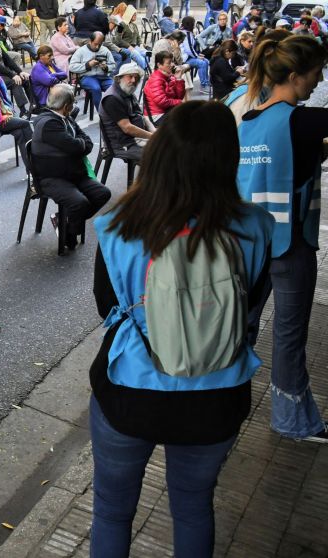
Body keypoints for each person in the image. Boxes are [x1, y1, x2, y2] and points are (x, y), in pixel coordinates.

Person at [90, 100, 273, 557]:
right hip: (218, 393)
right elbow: (251, 307)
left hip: (130, 389)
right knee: (193, 508)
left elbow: (106, 306)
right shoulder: (255, 227)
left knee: (112, 511)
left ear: (159, 153)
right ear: (227, 157)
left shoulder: (116, 225)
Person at [237, 35, 328, 444]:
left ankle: (224, 399)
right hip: (291, 246)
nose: (318, 80)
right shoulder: (304, 121)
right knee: (289, 337)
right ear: (293, 76)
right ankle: (292, 421)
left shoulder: (249, 121)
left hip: (250, 246)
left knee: (242, 328)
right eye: (314, 73)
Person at [31, 84, 110, 249]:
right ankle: (70, 232)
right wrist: (80, 146)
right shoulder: (48, 124)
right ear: (67, 106)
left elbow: (85, 141)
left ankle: (65, 224)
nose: (73, 106)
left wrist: (79, 146)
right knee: (79, 203)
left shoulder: (66, 118)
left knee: (103, 194)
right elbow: (77, 146)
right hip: (51, 177)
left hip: (73, 173)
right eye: (73, 103)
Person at [99, 63, 153, 165]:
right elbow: (127, 128)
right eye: (130, 76)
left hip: (134, 139)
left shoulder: (127, 92)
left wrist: (154, 132)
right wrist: (152, 136)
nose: (133, 80)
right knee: (160, 156)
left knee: (168, 146)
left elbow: (142, 116)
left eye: (136, 77)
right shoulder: (112, 98)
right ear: (119, 78)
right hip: (121, 144)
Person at [69, 32, 116, 110]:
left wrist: (106, 67)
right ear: (90, 41)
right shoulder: (81, 51)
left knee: (115, 88)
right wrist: (88, 65)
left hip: (103, 77)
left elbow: (113, 65)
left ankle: (113, 111)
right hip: (87, 77)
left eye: (100, 44)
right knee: (96, 88)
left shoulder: (105, 50)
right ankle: (102, 113)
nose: (97, 47)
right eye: (95, 44)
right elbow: (72, 67)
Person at [143, 51, 187, 124]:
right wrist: (180, 102)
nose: (172, 65)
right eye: (169, 63)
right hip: (157, 115)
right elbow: (162, 102)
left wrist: (178, 79)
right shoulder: (156, 80)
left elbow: (179, 97)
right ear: (159, 65)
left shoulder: (169, 77)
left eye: (172, 61)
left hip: (166, 110)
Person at [180, 17, 212, 92]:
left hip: (189, 57)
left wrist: (198, 55)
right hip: (184, 59)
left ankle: (206, 82)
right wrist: (197, 56)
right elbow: (189, 49)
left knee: (206, 61)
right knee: (202, 63)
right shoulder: (186, 34)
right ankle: (204, 85)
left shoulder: (188, 33)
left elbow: (192, 48)